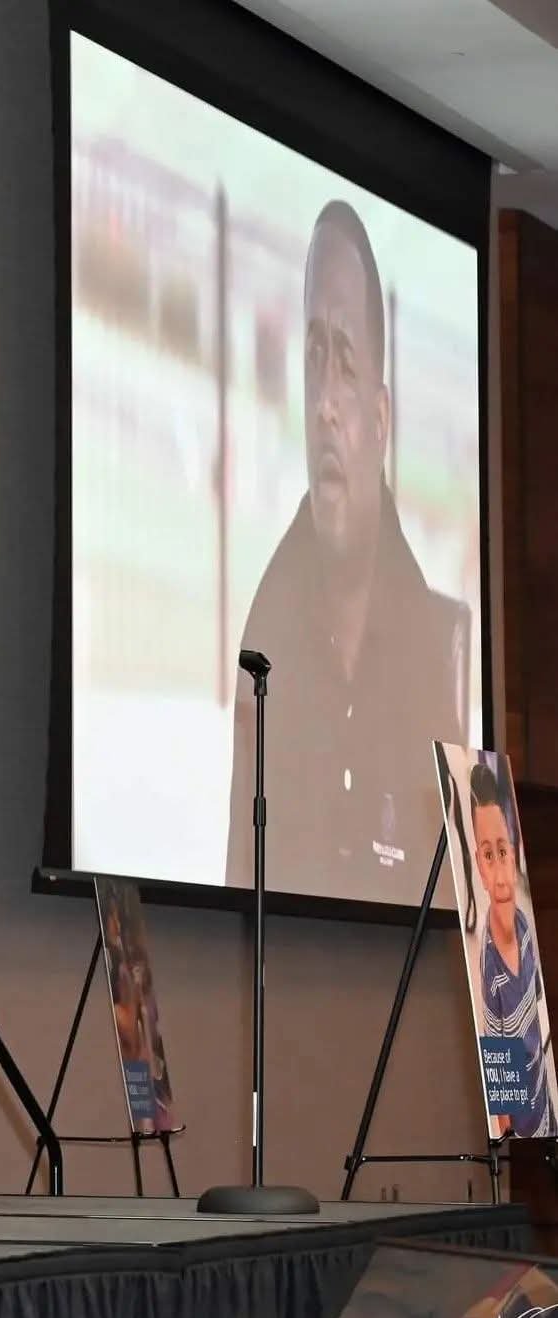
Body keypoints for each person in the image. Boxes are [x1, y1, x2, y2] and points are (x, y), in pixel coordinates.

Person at [226, 200, 464, 905]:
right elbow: (240, 877)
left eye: (347, 364)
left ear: (381, 416)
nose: (325, 403)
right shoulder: (262, 638)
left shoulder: (435, 643)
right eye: (312, 360)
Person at [470, 763, 553, 1138]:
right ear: (479, 867)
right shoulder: (491, 970)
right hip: (525, 1134)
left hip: (548, 1112)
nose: (501, 871)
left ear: (515, 852)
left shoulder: (525, 926)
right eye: (489, 855)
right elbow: (503, 1096)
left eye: (503, 851)